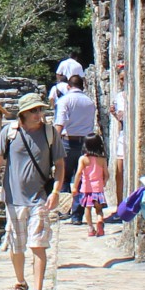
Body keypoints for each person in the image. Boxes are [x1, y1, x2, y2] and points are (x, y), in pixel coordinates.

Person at [0, 93, 58, 290]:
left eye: (40, 110)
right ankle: (20, 282)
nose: (39, 114)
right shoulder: (9, 133)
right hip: (14, 198)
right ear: (23, 114)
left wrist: (56, 191)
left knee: (38, 244)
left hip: (39, 199)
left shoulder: (49, 133)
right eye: (34, 111)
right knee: (17, 245)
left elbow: (61, 164)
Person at [54, 74, 100, 221]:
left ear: (68, 86)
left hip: (68, 142)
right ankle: (77, 215)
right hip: (87, 143)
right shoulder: (89, 102)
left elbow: (60, 124)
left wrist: (52, 144)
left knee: (63, 176)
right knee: (82, 179)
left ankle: (64, 210)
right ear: (83, 86)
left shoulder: (64, 100)